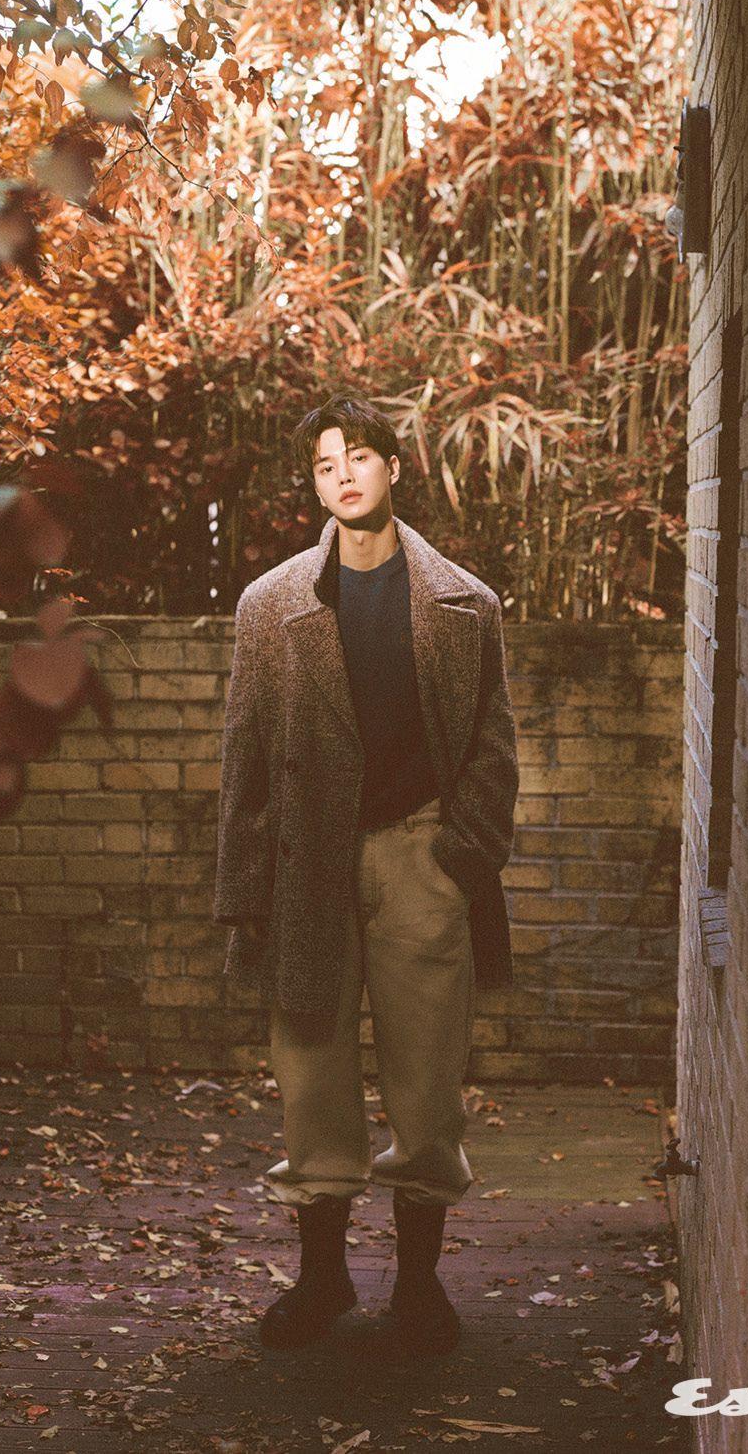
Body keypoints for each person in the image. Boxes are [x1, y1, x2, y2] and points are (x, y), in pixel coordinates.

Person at [213, 393, 519, 1360]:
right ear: (314, 484)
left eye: (359, 457)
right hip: (307, 864)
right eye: (324, 464)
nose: (342, 475)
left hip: (419, 856)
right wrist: (245, 894)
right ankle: (323, 1277)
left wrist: (460, 854)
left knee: (427, 1082)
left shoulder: (465, 603)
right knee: (311, 1077)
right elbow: (245, 755)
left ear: (394, 467)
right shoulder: (272, 605)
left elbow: (493, 744)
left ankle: (418, 1286)